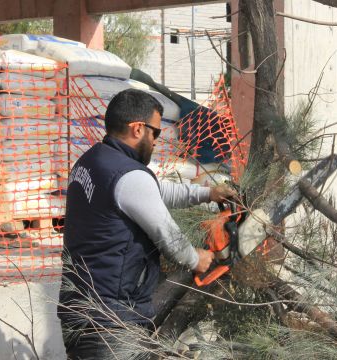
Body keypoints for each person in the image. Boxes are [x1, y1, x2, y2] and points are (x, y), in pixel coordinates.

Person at [57, 88, 236, 359]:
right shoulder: (128, 177)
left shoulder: (92, 162)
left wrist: (207, 194)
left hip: (81, 312)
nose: (155, 141)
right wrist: (196, 258)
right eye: (155, 132)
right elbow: (169, 237)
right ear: (138, 129)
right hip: (111, 321)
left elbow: (153, 192)